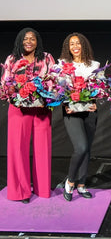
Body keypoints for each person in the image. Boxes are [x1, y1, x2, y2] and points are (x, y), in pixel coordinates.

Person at [1, 27, 55, 203]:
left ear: (37, 41)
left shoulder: (46, 58)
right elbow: (4, 83)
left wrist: (45, 91)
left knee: (43, 149)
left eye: (32, 38)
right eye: (25, 39)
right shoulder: (12, 59)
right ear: (19, 41)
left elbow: (54, 80)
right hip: (19, 109)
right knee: (18, 149)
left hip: (41, 108)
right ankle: (20, 191)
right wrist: (15, 92)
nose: (29, 41)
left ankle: (43, 189)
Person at [59, 33, 100, 202]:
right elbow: (58, 89)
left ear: (84, 45)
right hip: (71, 111)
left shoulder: (95, 65)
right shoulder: (62, 64)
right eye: (71, 44)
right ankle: (70, 181)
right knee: (81, 147)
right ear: (68, 48)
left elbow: (99, 88)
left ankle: (82, 185)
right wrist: (66, 104)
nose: (75, 46)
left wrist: (97, 101)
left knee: (87, 149)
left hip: (89, 109)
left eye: (78, 43)